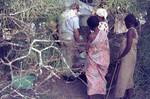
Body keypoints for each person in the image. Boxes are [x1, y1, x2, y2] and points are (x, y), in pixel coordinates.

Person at [115, 14, 139, 99]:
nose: (125, 24)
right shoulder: (134, 30)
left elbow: (128, 47)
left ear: (129, 22)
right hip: (132, 56)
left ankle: (120, 96)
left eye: (125, 22)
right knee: (128, 78)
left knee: (123, 77)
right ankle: (129, 96)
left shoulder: (130, 31)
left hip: (128, 57)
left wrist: (120, 57)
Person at [86, 15, 110, 99]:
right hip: (103, 59)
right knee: (102, 78)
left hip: (93, 60)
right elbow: (106, 46)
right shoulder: (104, 33)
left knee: (91, 77)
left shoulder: (91, 36)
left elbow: (87, 47)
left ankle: (91, 97)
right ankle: (103, 96)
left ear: (90, 26)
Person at [58, 3, 80, 82]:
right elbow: (75, 30)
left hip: (61, 36)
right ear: (76, 9)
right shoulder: (74, 17)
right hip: (69, 36)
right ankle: (67, 75)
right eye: (78, 10)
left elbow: (58, 27)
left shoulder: (63, 14)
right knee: (69, 56)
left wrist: (59, 35)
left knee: (64, 55)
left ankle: (63, 72)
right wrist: (78, 41)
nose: (77, 12)